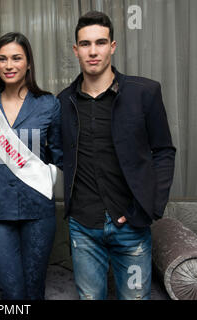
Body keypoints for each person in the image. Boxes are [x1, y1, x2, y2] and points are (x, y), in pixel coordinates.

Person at [57, 11, 176, 300]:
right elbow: (56, 151)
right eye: (85, 44)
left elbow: (163, 152)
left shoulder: (144, 93)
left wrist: (148, 207)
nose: (93, 51)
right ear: (76, 50)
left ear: (113, 46)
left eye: (100, 42)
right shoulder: (63, 102)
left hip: (131, 225)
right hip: (83, 227)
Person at [0, 32, 63, 300]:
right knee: (11, 290)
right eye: (2, 59)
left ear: (28, 63)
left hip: (38, 209)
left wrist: (43, 176)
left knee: (34, 288)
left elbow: (59, 154)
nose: (9, 65)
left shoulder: (49, 103)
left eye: (16, 58)